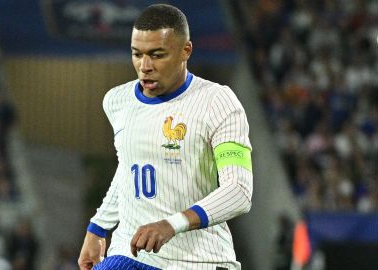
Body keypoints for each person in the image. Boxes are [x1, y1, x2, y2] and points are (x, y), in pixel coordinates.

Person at [78, 4, 253, 270]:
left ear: (186, 51)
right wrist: (98, 228)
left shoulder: (218, 102)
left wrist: (172, 225)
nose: (144, 66)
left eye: (157, 55)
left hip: (199, 260)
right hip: (131, 253)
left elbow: (238, 191)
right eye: (137, 54)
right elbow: (129, 168)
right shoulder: (117, 101)